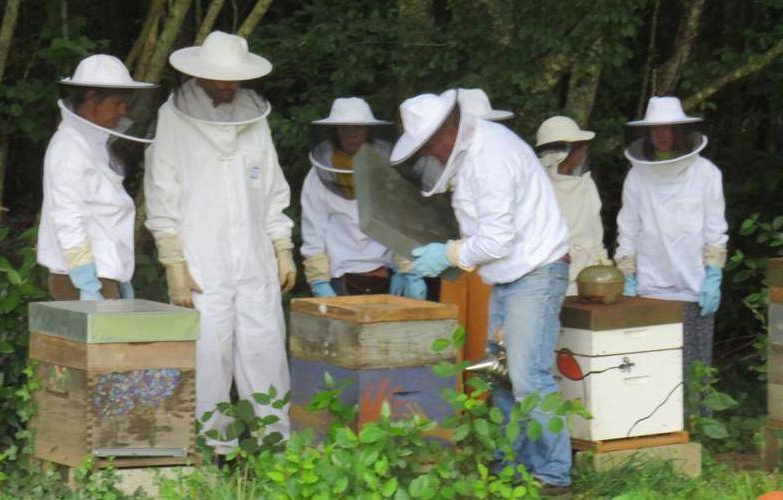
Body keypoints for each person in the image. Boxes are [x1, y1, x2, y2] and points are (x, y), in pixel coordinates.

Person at [391, 91, 573, 492]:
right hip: (510, 275)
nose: (428, 155)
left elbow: (495, 241)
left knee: (528, 376)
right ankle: (511, 464)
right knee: (501, 376)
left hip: (536, 271)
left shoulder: (491, 158)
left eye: (427, 145)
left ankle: (554, 474)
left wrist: (448, 254)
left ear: (446, 131)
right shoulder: (473, 153)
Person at [144, 31, 293, 453]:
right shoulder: (172, 119)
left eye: (234, 80)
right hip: (201, 261)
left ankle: (275, 448)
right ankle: (216, 452)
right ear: (201, 75)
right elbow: (161, 191)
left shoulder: (255, 120)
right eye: (220, 80)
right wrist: (173, 259)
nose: (228, 87)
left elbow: (271, 187)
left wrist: (282, 246)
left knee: (265, 350)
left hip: (255, 259)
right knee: (208, 356)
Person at [615, 96, 727, 380]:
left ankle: (696, 424)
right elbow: (628, 228)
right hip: (650, 286)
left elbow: (715, 228)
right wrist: (627, 275)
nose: (661, 135)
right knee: (651, 371)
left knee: (694, 370)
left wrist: (714, 275)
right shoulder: (637, 176)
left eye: (667, 128)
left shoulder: (706, 174)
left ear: (680, 131)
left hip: (694, 286)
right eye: (655, 129)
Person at [37, 54, 156, 301]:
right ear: (92, 98)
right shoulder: (69, 147)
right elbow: (67, 215)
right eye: (118, 103)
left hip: (102, 274)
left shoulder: (92, 144)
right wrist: (87, 282)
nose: (123, 112)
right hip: (80, 279)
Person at [301, 97, 425, 298]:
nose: (352, 135)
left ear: (368, 130)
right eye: (345, 129)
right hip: (340, 277)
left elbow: (402, 221)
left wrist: (409, 269)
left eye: (357, 128)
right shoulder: (317, 176)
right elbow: (313, 230)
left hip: (384, 272)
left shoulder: (388, 169)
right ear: (336, 132)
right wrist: (318, 279)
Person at [535, 116, 608, 295]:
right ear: (563, 151)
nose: (583, 150)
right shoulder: (538, 189)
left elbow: (595, 235)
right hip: (550, 285)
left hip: (590, 282)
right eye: (579, 146)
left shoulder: (586, 185)